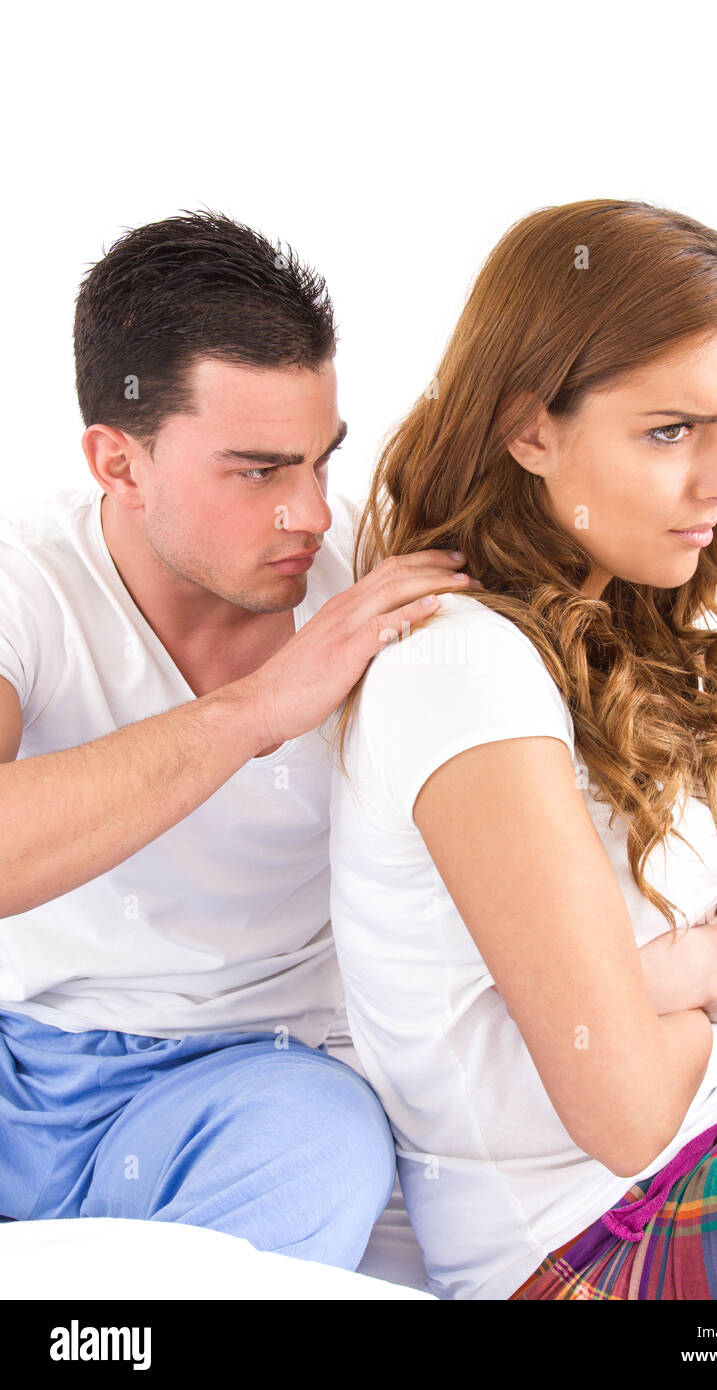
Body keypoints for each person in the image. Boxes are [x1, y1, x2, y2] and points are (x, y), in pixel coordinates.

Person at [326, 198, 717, 1300]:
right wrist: (688, 990)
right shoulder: (462, 669)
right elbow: (618, 1109)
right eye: (669, 431)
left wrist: (678, 973)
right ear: (529, 431)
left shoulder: (629, 612)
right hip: (590, 1241)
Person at [0, 210, 482, 1267]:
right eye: (258, 471)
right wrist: (259, 707)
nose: (308, 512)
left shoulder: (380, 579)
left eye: (320, 460)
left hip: (253, 1073)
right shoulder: (25, 580)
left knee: (320, 1157)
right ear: (117, 462)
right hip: (18, 1065)